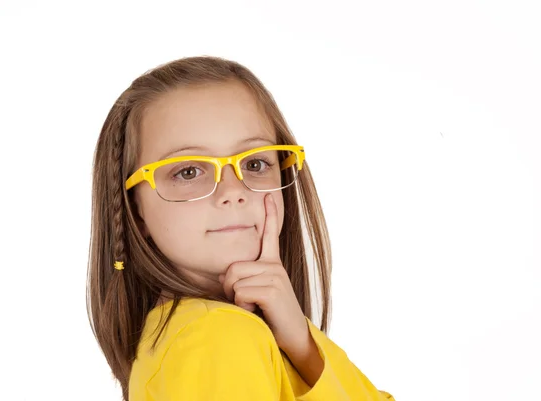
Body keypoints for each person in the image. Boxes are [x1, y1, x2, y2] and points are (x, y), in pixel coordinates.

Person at [86, 55, 395, 401]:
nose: (233, 191)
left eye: (255, 163)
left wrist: (303, 345)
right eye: (188, 171)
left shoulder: (196, 336)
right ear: (134, 210)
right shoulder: (219, 337)